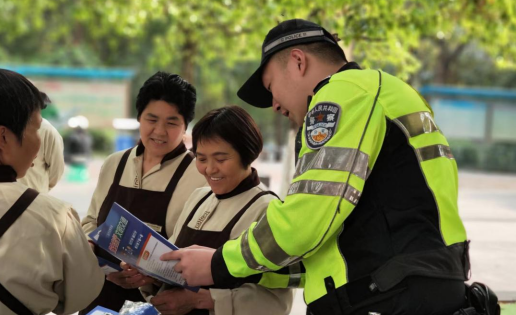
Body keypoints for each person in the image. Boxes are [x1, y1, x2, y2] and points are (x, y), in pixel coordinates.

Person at [162, 19, 472, 315]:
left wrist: (218, 264)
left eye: (271, 87)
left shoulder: (342, 93)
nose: (275, 105)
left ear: (298, 61)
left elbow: (306, 219)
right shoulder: (393, 93)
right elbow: (325, 247)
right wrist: (250, 271)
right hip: (417, 287)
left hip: (385, 294)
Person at [0, 68, 104, 315]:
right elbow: (81, 296)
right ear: (3, 137)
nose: (39, 143)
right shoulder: (53, 217)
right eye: (36, 129)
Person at [133, 106, 293, 315]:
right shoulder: (199, 197)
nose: (209, 169)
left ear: (248, 154)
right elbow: (174, 262)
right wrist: (151, 275)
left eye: (221, 159)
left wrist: (205, 300)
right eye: (201, 159)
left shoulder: (266, 209)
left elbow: (277, 301)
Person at [80, 71, 207, 313]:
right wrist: (91, 249)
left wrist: (149, 276)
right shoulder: (114, 163)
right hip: (100, 294)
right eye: (151, 119)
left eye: (171, 122)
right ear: (139, 118)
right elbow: (90, 221)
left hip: (156, 304)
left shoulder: (198, 173)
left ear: (185, 126)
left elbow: (194, 248)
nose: (159, 131)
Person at [17, 118, 65, 193]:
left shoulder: (47, 130)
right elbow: (56, 171)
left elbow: (56, 170)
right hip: (35, 195)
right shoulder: (47, 129)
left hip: (35, 197)